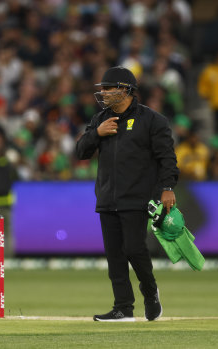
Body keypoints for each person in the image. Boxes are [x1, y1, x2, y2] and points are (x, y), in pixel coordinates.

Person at [76, 66, 179, 322]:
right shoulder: (100, 119)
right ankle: (123, 308)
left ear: (125, 90)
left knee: (133, 249)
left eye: (108, 88)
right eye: (103, 88)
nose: (104, 93)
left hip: (138, 198)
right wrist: (95, 134)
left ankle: (150, 290)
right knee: (115, 257)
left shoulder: (153, 120)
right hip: (107, 198)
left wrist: (167, 188)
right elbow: (80, 152)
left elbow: (167, 159)